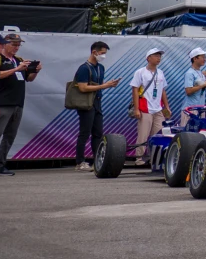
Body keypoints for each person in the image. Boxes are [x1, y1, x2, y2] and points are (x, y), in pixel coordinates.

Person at [72, 40, 120, 170]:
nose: (104, 56)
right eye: (102, 53)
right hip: (86, 104)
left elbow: (98, 86)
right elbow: (82, 87)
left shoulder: (100, 67)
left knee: (98, 133)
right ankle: (80, 161)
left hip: (97, 102)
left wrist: (108, 85)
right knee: (84, 132)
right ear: (94, 52)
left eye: (105, 53)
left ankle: (97, 160)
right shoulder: (84, 68)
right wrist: (105, 85)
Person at [129, 47, 170, 164]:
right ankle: (139, 157)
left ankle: (155, 158)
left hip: (158, 109)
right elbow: (135, 90)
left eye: (159, 56)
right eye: (156, 56)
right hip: (145, 108)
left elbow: (163, 90)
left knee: (158, 135)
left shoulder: (160, 72)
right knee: (143, 134)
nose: (159, 58)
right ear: (148, 58)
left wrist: (166, 107)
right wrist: (136, 109)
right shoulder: (140, 72)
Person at [181, 47, 206, 111]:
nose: (204, 59)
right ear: (195, 58)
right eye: (202, 57)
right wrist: (203, 84)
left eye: (205, 57)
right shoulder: (189, 73)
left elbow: (200, 87)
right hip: (190, 110)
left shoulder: (200, 73)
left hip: (200, 108)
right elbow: (188, 91)